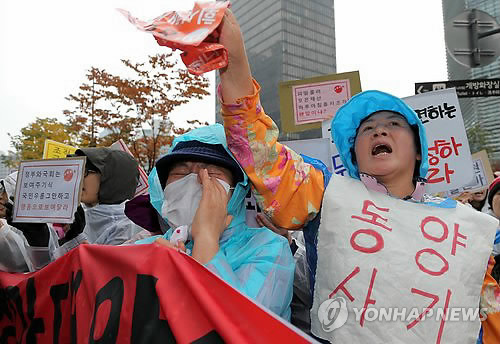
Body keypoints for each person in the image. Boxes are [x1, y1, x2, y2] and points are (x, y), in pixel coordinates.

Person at [215, 9, 499, 342]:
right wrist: (234, 59)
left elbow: (484, 315)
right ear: (354, 155)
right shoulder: (327, 195)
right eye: (367, 130)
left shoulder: (462, 224)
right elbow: (258, 150)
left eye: (393, 124)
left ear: (419, 149)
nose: (379, 132)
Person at [136, 123, 295, 320]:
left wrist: (206, 239)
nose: (196, 180)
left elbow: (245, 327)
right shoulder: (142, 249)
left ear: (236, 191)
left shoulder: (268, 248)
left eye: (212, 173)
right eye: (180, 172)